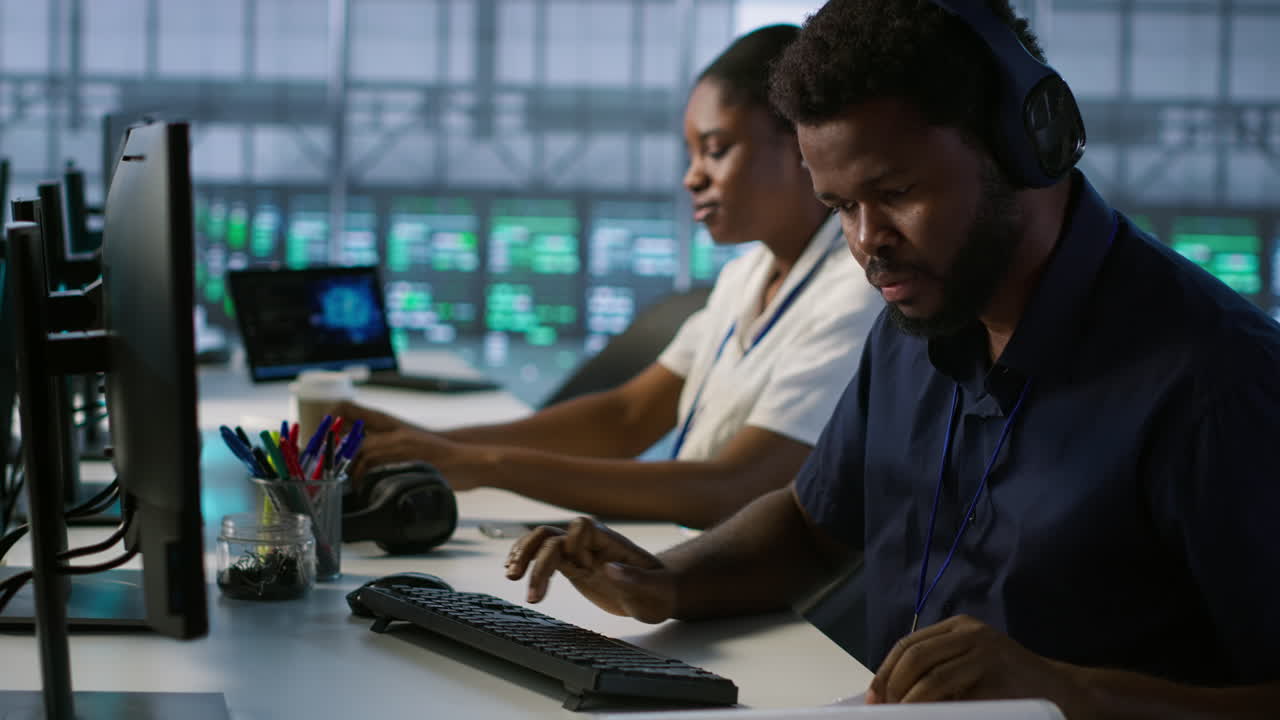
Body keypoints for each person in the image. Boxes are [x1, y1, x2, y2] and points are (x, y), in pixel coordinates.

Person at [504, 1, 1280, 716]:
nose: (867, 243)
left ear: (1024, 147)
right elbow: (811, 527)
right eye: (842, 206)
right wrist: (667, 580)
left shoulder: (1219, 382)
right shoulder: (915, 323)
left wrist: (1067, 694)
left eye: (898, 192)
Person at [337, 25, 879, 530]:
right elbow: (624, 419)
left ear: (802, 144)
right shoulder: (746, 276)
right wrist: (427, 443)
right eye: (692, 154)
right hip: (692, 556)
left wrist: (481, 465)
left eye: (716, 150)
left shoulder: (856, 294)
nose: (692, 177)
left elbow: (733, 487)